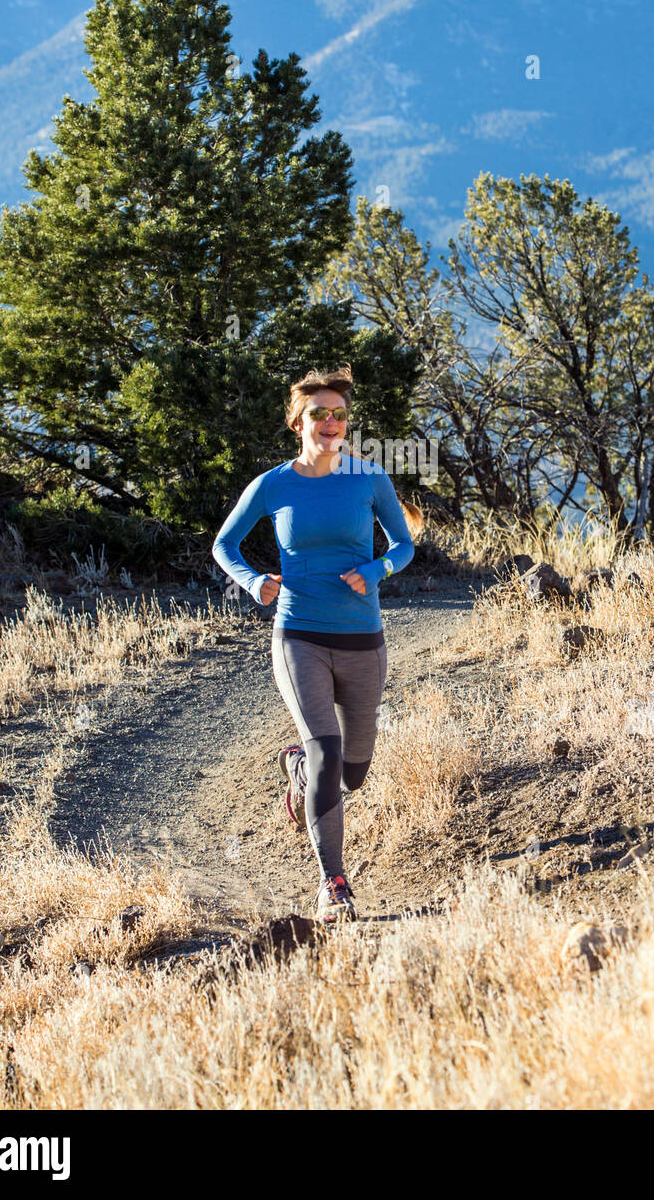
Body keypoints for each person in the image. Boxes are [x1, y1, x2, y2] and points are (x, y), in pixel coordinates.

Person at [211, 364, 421, 923]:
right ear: (298, 422)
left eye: (339, 414)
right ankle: (334, 885)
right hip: (298, 633)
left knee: (353, 773)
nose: (330, 422)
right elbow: (223, 544)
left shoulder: (368, 478)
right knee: (329, 753)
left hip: (362, 638)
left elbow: (404, 547)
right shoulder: (273, 485)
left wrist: (377, 569)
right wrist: (255, 582)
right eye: (319, 414)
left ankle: (299, 772)